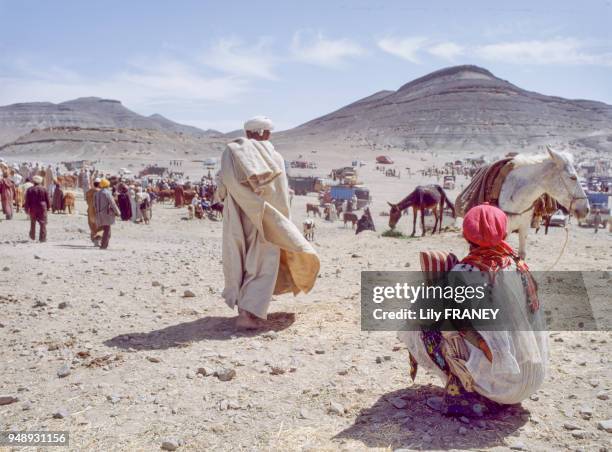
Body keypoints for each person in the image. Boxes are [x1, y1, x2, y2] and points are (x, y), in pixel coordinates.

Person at [399, 203, 548, 418]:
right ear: (504, 232)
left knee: (428, 327)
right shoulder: (520, 266)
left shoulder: (463, 272)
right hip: (532, 380)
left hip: (502, 388)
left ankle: (461, 393)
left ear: (466, 235)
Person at [216, 116, 320, 329]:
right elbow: (279, 192)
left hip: (238, 216)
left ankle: (245, 308)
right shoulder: (273, 155)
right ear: (264, 133)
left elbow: (222, 186)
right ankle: (247, 314)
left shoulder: (231, 152)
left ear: (247, 133)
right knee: (261, 263)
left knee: (240, 259)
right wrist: (280, 220)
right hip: (266, 216)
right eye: (269, 132)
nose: (270, 135)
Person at [94, 178, 121, 249]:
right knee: (107, 230)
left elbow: (95, 205)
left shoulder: (96, 193)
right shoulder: (107, 193)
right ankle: (104, 246)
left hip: (98, 214)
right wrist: (118, 212)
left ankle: (103, 244)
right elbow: (113, 203)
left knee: (104, 229)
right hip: (107, 214)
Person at [24, 175, 50, 242]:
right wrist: (49, 207)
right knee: (43, 223)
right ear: (40, 181)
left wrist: (26, 209)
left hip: (33, 207)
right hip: (42, 207)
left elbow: (27, 200)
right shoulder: (44, 189)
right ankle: (42, 238)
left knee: (33, 222)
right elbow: (48, 200)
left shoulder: (29, 189)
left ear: (33, 181)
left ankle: (32, 237)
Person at [85, 178, 103, 245]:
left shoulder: (89, 191)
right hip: (98, 211)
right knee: (100, 226)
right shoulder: (101, 192)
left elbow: (87, 200)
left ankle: (94, 239)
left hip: (90, 210)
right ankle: (97, 239)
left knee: (92, 225)